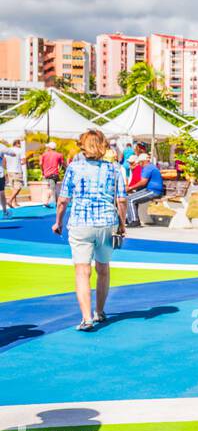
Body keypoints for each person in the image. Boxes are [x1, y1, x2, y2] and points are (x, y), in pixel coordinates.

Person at [50, 129, 127, 330]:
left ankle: (86, 318)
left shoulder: (74, 168)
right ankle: (100, 312)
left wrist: (58, 222)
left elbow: (63, 200)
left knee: (82, 271)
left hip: (81, 223)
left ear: (83, 145)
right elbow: (121, 201)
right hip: (107, 223)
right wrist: (122, 224)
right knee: (103, 268)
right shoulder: (115, 169)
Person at [124, 152, 165, 227]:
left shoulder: (147, 168)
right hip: (151, 189)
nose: (139, 164)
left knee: (130, 199)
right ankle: (133, 219)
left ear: (142, 162)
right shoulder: (150, 166)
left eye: (139, 162)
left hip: (154, 191)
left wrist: (130, 188)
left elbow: (143, 182)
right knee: (130, 198)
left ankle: (134, 221)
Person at [39, 142, 65, 209]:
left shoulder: (44, 154)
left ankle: (47, 202)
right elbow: (62, 164)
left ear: (50, 148)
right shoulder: (59, 155)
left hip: (46, 174)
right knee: (53, 188)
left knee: (51, 188)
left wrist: (42, 171)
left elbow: (40, 163)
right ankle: (50, 202)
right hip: (54, 174)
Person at [3, 139, 24, 211]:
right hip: (17, 171)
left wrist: (5, 169)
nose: (20, 145)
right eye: (20, 143)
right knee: (18, 187)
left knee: (13, 187)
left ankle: (14, 203)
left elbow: (4, 161)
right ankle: (10, 200)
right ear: (17, 143)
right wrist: (20, 163)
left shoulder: (8, 150)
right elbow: (23, 161)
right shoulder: (20, 150)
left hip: (9, 171)